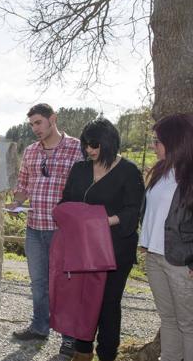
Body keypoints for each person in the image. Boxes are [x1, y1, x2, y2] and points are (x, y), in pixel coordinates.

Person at [60, 118, 144, 361]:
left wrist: (105, 221)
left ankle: (107, 353)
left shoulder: (128, 171)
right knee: (84, 299)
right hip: (84, 248)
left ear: (109, 143)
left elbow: (133, 210)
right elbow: (66, 200)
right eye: (86, 145)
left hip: (115, 249)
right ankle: (82, 351)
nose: (89, 150)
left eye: (94, 145)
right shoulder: (80, 169)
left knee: (108, 303)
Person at [8, 103, 83, 357]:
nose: (35, 129)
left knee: (64, 284)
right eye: (31, 125)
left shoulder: (75, 148)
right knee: (38, 283)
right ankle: (40, 327)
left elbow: (84, 188)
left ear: (53, 119)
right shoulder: (30, 151)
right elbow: (23, 184)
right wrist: (16, 202)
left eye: (38, 123)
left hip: (62, 231)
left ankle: (70, 339)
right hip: (34, 228)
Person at [140, 113, 193, 361]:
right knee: (168, 319)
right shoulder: (161, 171)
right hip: (154, 256)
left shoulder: (189, 177)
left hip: (181, 262)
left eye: (158, 141)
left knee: (188, 325)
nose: (154, 146)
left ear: (175, 142)